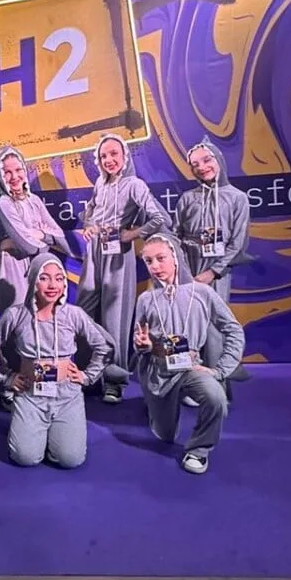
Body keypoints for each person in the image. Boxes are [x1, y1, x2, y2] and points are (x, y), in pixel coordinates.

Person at [0, 254, 111, 468]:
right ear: (33, 280)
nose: (53, 285)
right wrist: (7, 378)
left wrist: (87, 376)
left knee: (70, 460)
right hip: (30, 394)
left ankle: (55, 432)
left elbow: (104, 346)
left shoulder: (74, 315)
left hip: (67, 395)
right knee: (25, 458)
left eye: (59, 278)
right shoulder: (16, 315)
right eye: (44, 278)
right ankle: (30, 427)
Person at [133, 233, 244, 475]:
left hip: (190, 367)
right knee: (164, 435)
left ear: (175, 257)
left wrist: (221, 371)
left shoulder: (202, 293)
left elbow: (233, 330)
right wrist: (143, 345)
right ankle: (155, 406)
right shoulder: (145, 299)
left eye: (161, 258)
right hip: (157, 371)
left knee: (216, 398)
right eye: (148, 261)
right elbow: (139, 343)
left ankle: (199, 450)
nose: (155, 266)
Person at [75, 134, 169, 403]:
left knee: (115, 318)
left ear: (125, 156)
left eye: (114, 154)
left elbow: (159, 217)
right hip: (95, 253)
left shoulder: (134, 184)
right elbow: (90, 211)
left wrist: (132, 234)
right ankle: (89, 374)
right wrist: (89, 225)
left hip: (119, 254)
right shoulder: (100, 183)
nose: (109, 160)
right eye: (103, 156)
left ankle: (114, 381)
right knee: (84, 312)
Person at [174, 137, 250, 369]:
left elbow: (237, 244)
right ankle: (184, 378)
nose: (202, 167)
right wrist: (182, 271)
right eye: (195, 164)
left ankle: (214, 378)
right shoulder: (187, 198)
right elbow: (175, 236)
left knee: (214, 324)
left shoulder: (237, 198)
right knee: (183, 321)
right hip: (187, 268)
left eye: (207, 160)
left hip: (217, 270)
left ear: (219, 160)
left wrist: (212, 272)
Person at [0, 145, 70, 313]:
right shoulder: (3, 203)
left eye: (18, 170)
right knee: (19, 316)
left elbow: (61, 237)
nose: (14, 177)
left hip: (39, 265)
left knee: (42, 315)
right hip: (14, 265)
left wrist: (40, 234)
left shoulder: (34, 200)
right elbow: (27, 246)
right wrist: (46, 239)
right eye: (7, 172)